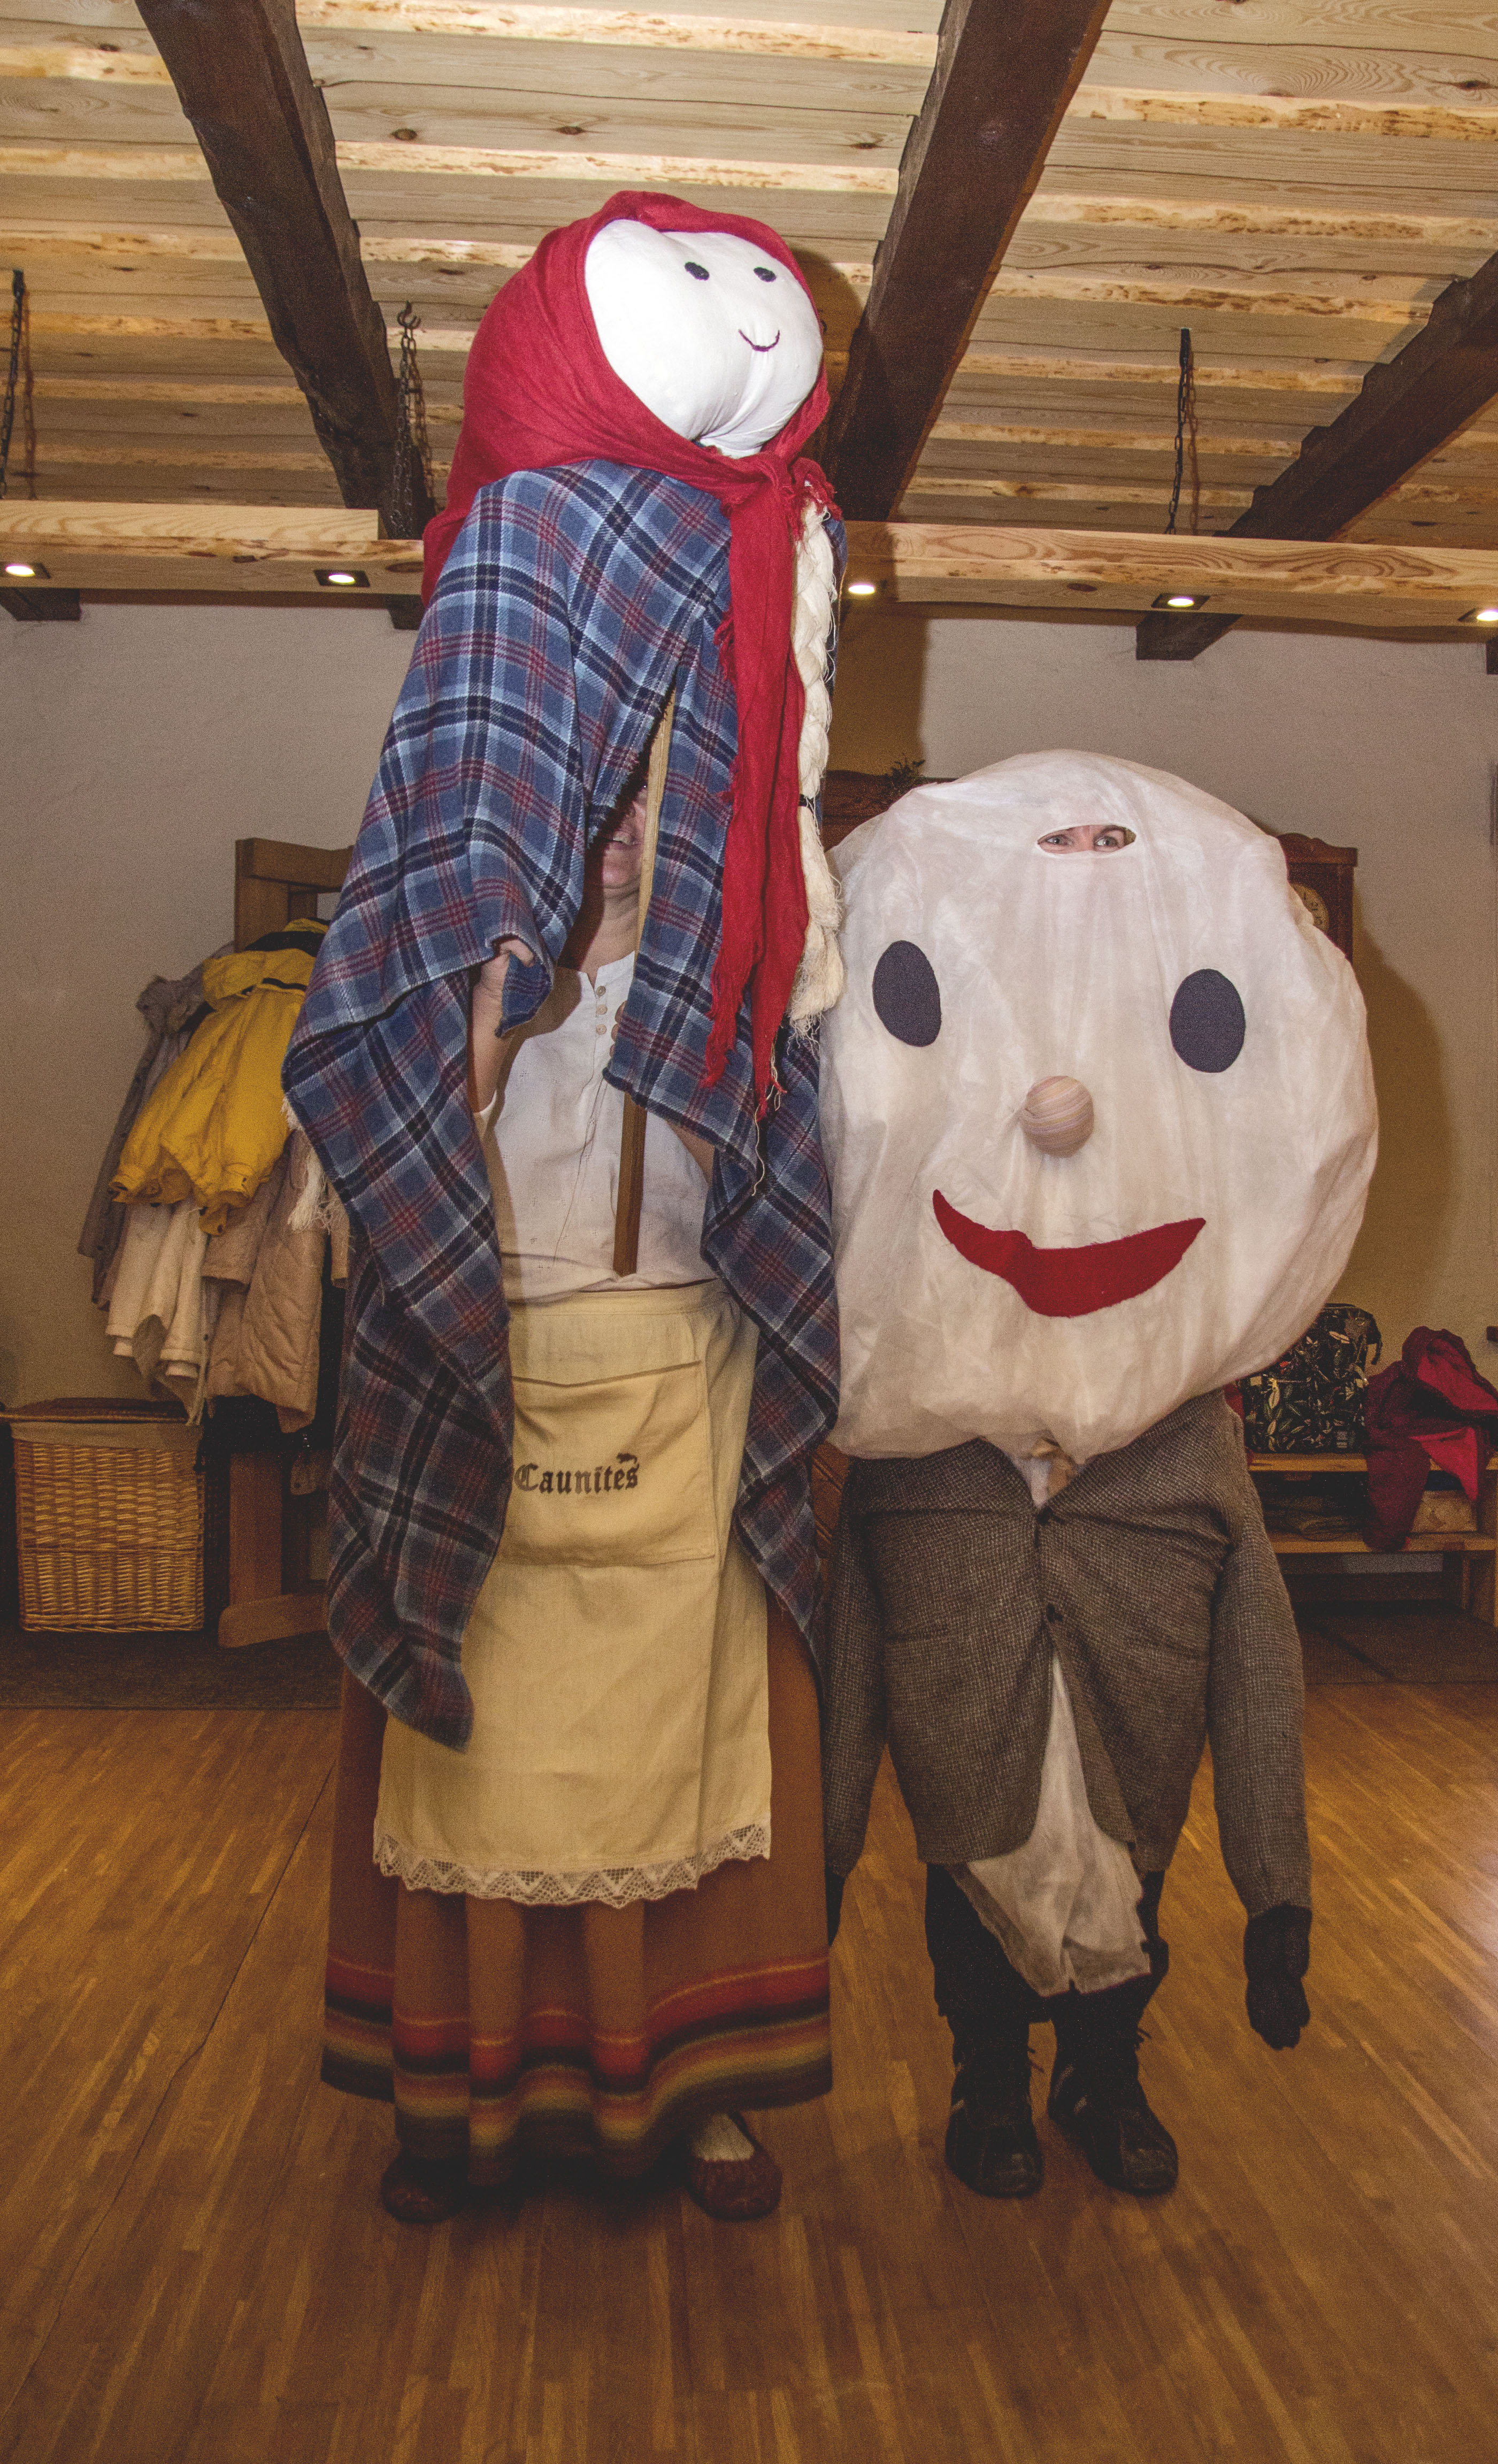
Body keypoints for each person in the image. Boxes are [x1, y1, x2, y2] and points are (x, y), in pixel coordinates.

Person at [287, 192, 845, 2223]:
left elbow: (788, 1095)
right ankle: (458, 2102)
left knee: (687, 1779)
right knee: (476, 1774)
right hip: (488, 1367)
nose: (619, 843)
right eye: (594, 805)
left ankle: (691, 2097)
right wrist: (503, 992)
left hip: (679, 1363)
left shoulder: (739, 976)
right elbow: (382, 1130)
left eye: (645, 812)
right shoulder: (456, 941)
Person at [813, 750, 1378, 2200]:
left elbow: (1257, 1653)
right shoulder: (910, 1452)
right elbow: (853, 1640)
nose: (1060, 1109)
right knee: (970, 1889)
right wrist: (816, 1861)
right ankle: (988, 2082)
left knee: (1131, 1876)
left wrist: (1277, 1890)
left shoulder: (1186, 1435)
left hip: (1141, 1697)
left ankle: (1104, 2075)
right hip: (962, 1637)